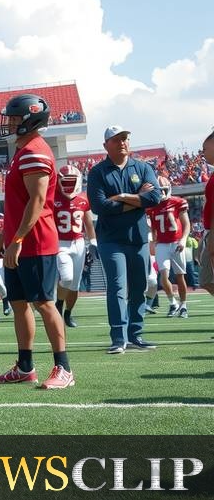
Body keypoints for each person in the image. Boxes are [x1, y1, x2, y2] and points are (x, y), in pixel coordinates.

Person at [0, 93, 74, 389]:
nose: (9, 123)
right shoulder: (23, 151)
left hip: (35, 241)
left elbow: (37, 202)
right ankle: (25, 366)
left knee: (44, 303)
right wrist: (5, 234)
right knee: (19, 303)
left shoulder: (35, 151)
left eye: (14, 119)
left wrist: (19, 238)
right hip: (20, 240)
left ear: (30, 120)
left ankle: (63, 368)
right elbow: (18, 202)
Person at [85, 125, 162, 353]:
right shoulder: (98, 172)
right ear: (105, 145)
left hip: (138, 238)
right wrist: (139, 199)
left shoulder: (143, 167)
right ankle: (119, 338)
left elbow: (155, 197)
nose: (123, 143)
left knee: (139, 287)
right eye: (117, 139)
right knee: (118, 286)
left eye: (125, 138)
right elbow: (99, 206)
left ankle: (135, 335)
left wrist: (122, 197)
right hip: (111, 239)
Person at [53, 165, 97, 328]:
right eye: (65, 182)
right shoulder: (52, 197)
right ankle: (58, 304)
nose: (68, 185)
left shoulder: (84, 199)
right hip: (60, 243)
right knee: (67, 277)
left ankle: (68, 313)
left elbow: (88, 224)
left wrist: (93, 242)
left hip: (79, 244)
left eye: (72, 181)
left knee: (75, 285)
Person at [145, 176, 191, 318]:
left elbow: (186, 224)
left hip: (177, 242)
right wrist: (153, 240)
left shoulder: (178, 202)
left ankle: (183, 305)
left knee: (180, 276)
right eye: (159, 191)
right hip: (162, 244)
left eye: (164, 190)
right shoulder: (151, 207)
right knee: (163, 276)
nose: (162, 193)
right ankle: (173, 303)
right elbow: (153, 226)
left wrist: (183, 240)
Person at [199, 131, 214, 296]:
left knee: (207, 279)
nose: (203, 153)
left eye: (205, 148)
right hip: (209, 231)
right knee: (205, 280)